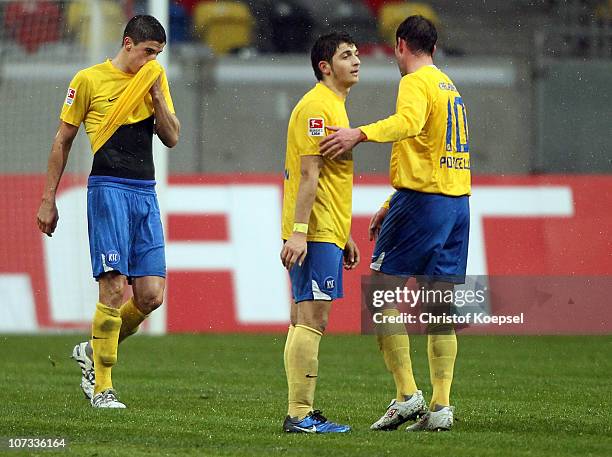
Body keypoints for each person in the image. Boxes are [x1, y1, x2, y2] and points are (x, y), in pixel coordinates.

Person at [320, 15, 470, 432]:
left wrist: (358, 134)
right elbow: (432, 149)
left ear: (400, 45)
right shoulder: (447, 85)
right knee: (440, 308)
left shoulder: (415, 82)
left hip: (423, 204)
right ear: (434, 48)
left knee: (381, 296)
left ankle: (407, 395)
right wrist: (392, 199)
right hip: (456, 204)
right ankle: (441, 406)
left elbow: (409, 124)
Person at [36, 15, 180, 408]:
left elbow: (171, 137)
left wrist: (155, 98)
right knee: (114, 288)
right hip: (108, 189)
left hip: (144, 193)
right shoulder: (88, 80)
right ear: (128, 43)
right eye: (148, 52)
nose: (152, 60)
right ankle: (102, 387)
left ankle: (92, 349)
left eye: (158, 55)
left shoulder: (154, 79)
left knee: (151, 296)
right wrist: (49, 198)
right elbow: (62, 140)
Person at [279, 32, 361, 433]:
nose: (356, 60)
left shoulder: (335, 106)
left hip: (325, 227)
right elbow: (308, 174)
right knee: (311, 319)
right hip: (312, 231)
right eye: (347, 55)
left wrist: (342, 233)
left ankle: (299, 412)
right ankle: (299, 415)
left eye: (357, 53)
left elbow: (327, 177)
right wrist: (299, 233)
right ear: (325, 67)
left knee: (303, 319)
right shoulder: (318, 106)